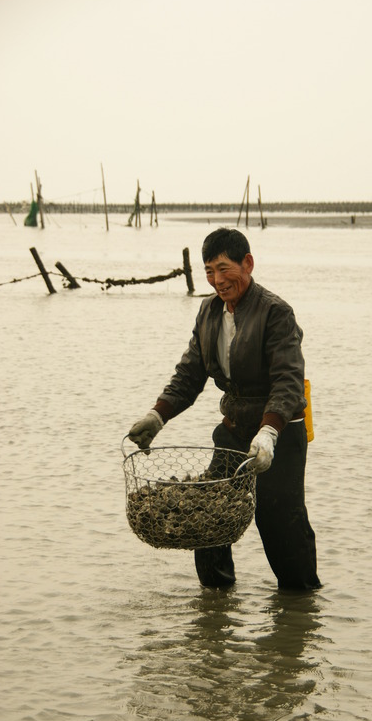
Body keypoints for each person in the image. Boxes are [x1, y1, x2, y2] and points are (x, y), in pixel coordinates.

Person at [128, 227, 321, 591]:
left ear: (247, 263)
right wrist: (157, 415)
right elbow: (190, 374)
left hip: (279, 433)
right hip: (233, 431)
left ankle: (300, 602)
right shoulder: (209, 311)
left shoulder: (275, 312)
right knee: (208, 513)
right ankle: (216, 604)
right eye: (208, 271)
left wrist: (269, 432)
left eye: (223, 268)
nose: (217, 280)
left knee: (279, 521)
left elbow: (288, 381)